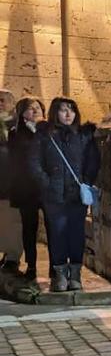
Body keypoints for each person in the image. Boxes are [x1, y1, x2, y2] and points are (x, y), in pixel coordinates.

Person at [28, 98, 100, 292]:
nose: (68, 114)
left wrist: (85, 181)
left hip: (77, 194)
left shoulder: (84, 136)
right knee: (58, 233)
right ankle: (59, 274)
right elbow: (34, 161)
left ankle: (75, 274)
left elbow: (92, 161)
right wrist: (47, 183)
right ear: (55, 113)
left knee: (76, 234)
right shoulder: (45, 135)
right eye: (63, 110)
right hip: (54, 194)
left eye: (71, 110)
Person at [8, 98, 46, 279]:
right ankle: (31, 265)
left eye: (38, 108)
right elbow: (17, 160)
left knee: (52, 227)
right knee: (29, 228)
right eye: (31, 109)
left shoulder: (49, 131)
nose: (35, 111)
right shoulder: (16, 133)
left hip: (46, 187)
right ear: (22, 113)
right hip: (27, 187)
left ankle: (56, 267)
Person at [0, 89, 21, 273]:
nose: (0, 103)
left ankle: (12, 257)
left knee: (12, 222)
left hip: (12, 183)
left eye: (3, 100)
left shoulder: (17, 126)